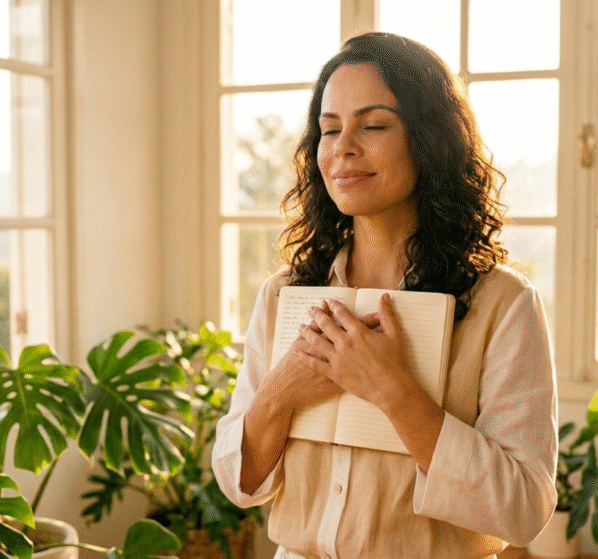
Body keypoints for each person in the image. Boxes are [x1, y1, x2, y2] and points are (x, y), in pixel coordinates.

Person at [212, 32, 557, 559]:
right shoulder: (285, 295)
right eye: (330, 130)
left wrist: (392, 390)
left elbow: (523, 510)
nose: (344, 147)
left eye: (373, 125)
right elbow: (239, 483)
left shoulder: (503, 304)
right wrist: (280, 390)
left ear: (429, 139)